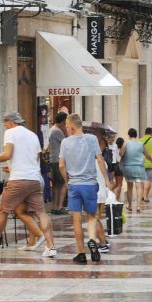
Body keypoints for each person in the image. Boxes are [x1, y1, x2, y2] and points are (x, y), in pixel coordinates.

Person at [0, 112, 57, 258]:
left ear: (10, 121)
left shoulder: (11, 132)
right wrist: (12, 167)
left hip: (18, 180)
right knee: (41, 213)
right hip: (34, 179)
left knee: (3, 211)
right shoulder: (33, 135)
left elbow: (7, 154)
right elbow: (33, 159)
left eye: (5, 123)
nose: (4, 126)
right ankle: (51, 247)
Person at [59, 113, 111, 264]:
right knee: (91, 217)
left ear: (72, 126)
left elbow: (61, 165)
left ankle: (81, 253)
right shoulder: (92, 139)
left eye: (68, 127)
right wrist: (106, 180)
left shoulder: (65, 142)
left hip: (74, 185)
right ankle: (92, 240)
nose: (67, 129)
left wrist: (67, 180)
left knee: (76, 220)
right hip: (90, 185)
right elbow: (100, 160)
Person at [120, 128, 152, 213]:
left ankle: (130, 206)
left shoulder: (126, 143)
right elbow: (147, 155)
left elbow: (121, 153)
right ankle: (139, 206)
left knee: (129, 187)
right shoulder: (141, 144)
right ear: (136, 135)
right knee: (139, 187)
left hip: (129, 167)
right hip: (139, 168)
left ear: (129, 135)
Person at [48, 112, 68, 215]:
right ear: (63, 121)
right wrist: (66, 131)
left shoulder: (52, 129)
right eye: (65, 122)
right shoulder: (58, 131)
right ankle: (60, 207)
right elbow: (67, 144)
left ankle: (55, 207)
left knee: (56, 185)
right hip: (58, 160)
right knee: (64, 184)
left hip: (53, 160)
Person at [139, 127, 152, 203]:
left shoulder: (140, 140)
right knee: (149, 180)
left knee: (141, 180)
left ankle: (141, 195)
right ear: (151, 133)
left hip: (140, 163)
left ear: (144, 132)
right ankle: (145, 196)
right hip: (151, 164)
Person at [113, 137, 125, 201]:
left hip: (115, 166)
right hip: (120, 166)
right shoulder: (122, 149)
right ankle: (116, 199)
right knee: (120, 184)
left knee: (116, 183)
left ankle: (110, 190)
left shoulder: (114, 148)